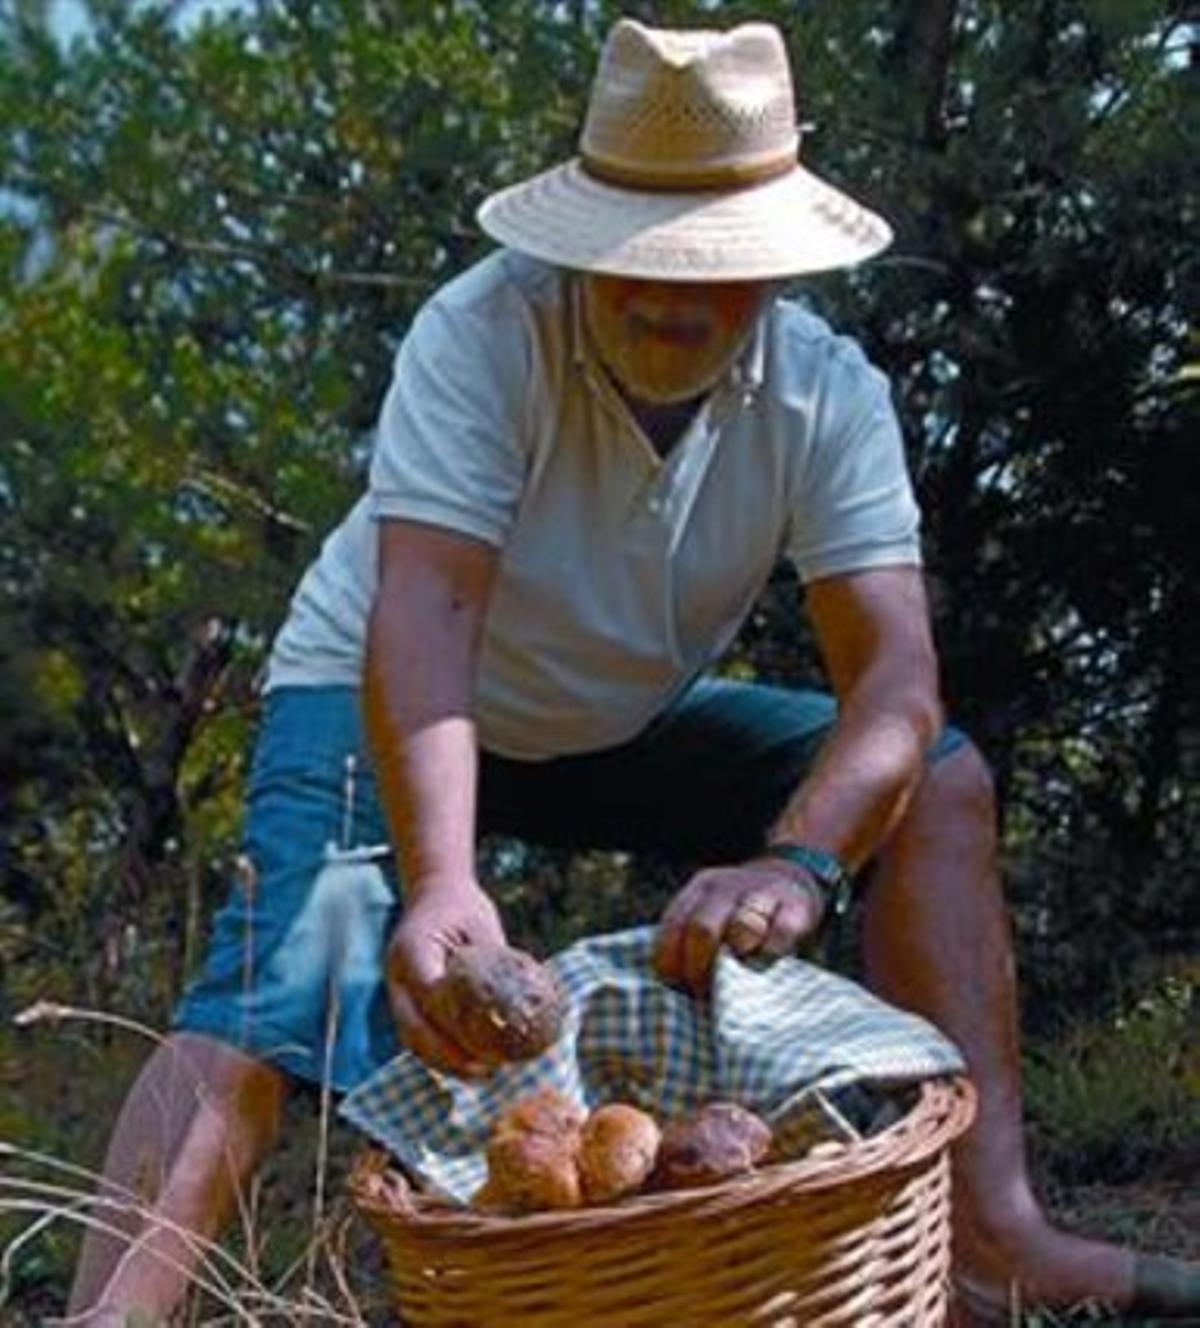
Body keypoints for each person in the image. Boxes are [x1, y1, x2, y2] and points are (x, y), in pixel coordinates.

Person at [69, 18, 1197, 1325]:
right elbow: (426, 609)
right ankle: (113, 1309)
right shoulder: (483, 335)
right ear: (580, 241)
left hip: (620, 718)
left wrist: (800, 862)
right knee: (290, 979)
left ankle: (994, 1240)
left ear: (774, 270)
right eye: (637, 264)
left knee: (938, 782)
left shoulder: (829, 397)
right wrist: (436, 886)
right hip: (385, 699)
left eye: (710, 270)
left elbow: (895, 683)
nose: (670, 299)